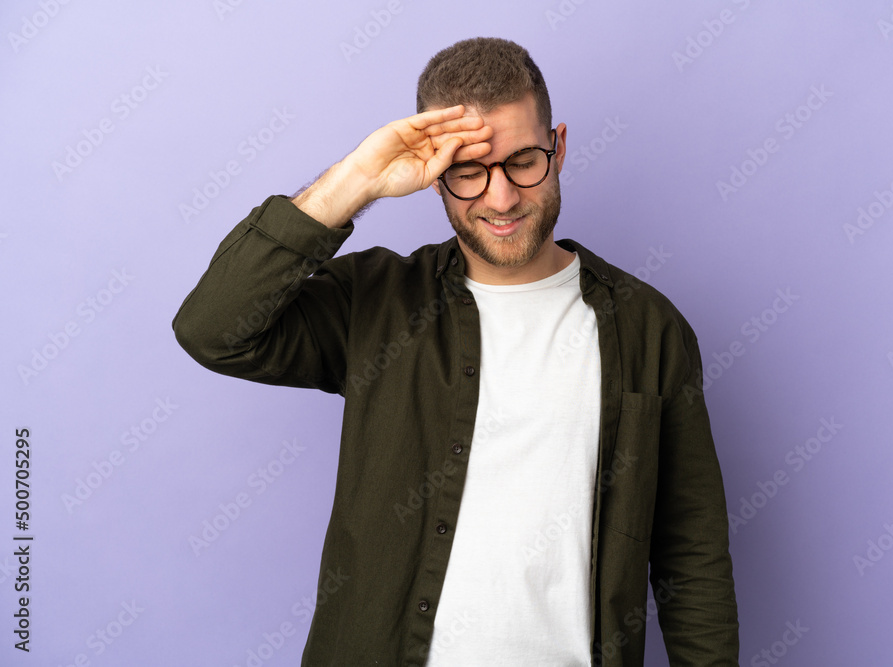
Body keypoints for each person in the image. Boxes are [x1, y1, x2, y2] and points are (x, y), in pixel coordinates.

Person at [173, 37, 738, 666]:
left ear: (560, 147)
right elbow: (213, 328)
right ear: (434, 178)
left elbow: (693, 554)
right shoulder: (375, 302)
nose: (501, 199)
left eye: (524, 160)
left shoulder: (649, 330)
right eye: (468, 172)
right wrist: (356, 180)